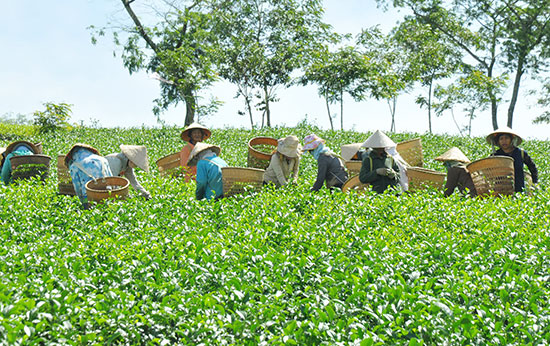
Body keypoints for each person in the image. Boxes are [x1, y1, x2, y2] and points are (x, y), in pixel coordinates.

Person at [486, 126, 538, 192]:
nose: (504, 141)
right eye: (501, 139)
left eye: (506, 138)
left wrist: (535, 182)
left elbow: (532, 167)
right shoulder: (495, 155)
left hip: (519, 190)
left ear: (511, 140)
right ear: (498, 141)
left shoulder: (520, 153)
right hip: (501, 191)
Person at [65, 143, 113, 209]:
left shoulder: (74, 166)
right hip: (107, 193)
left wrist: (83, 203)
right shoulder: (103, 160)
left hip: (88, 197)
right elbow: (112, 179)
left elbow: (78, 188)